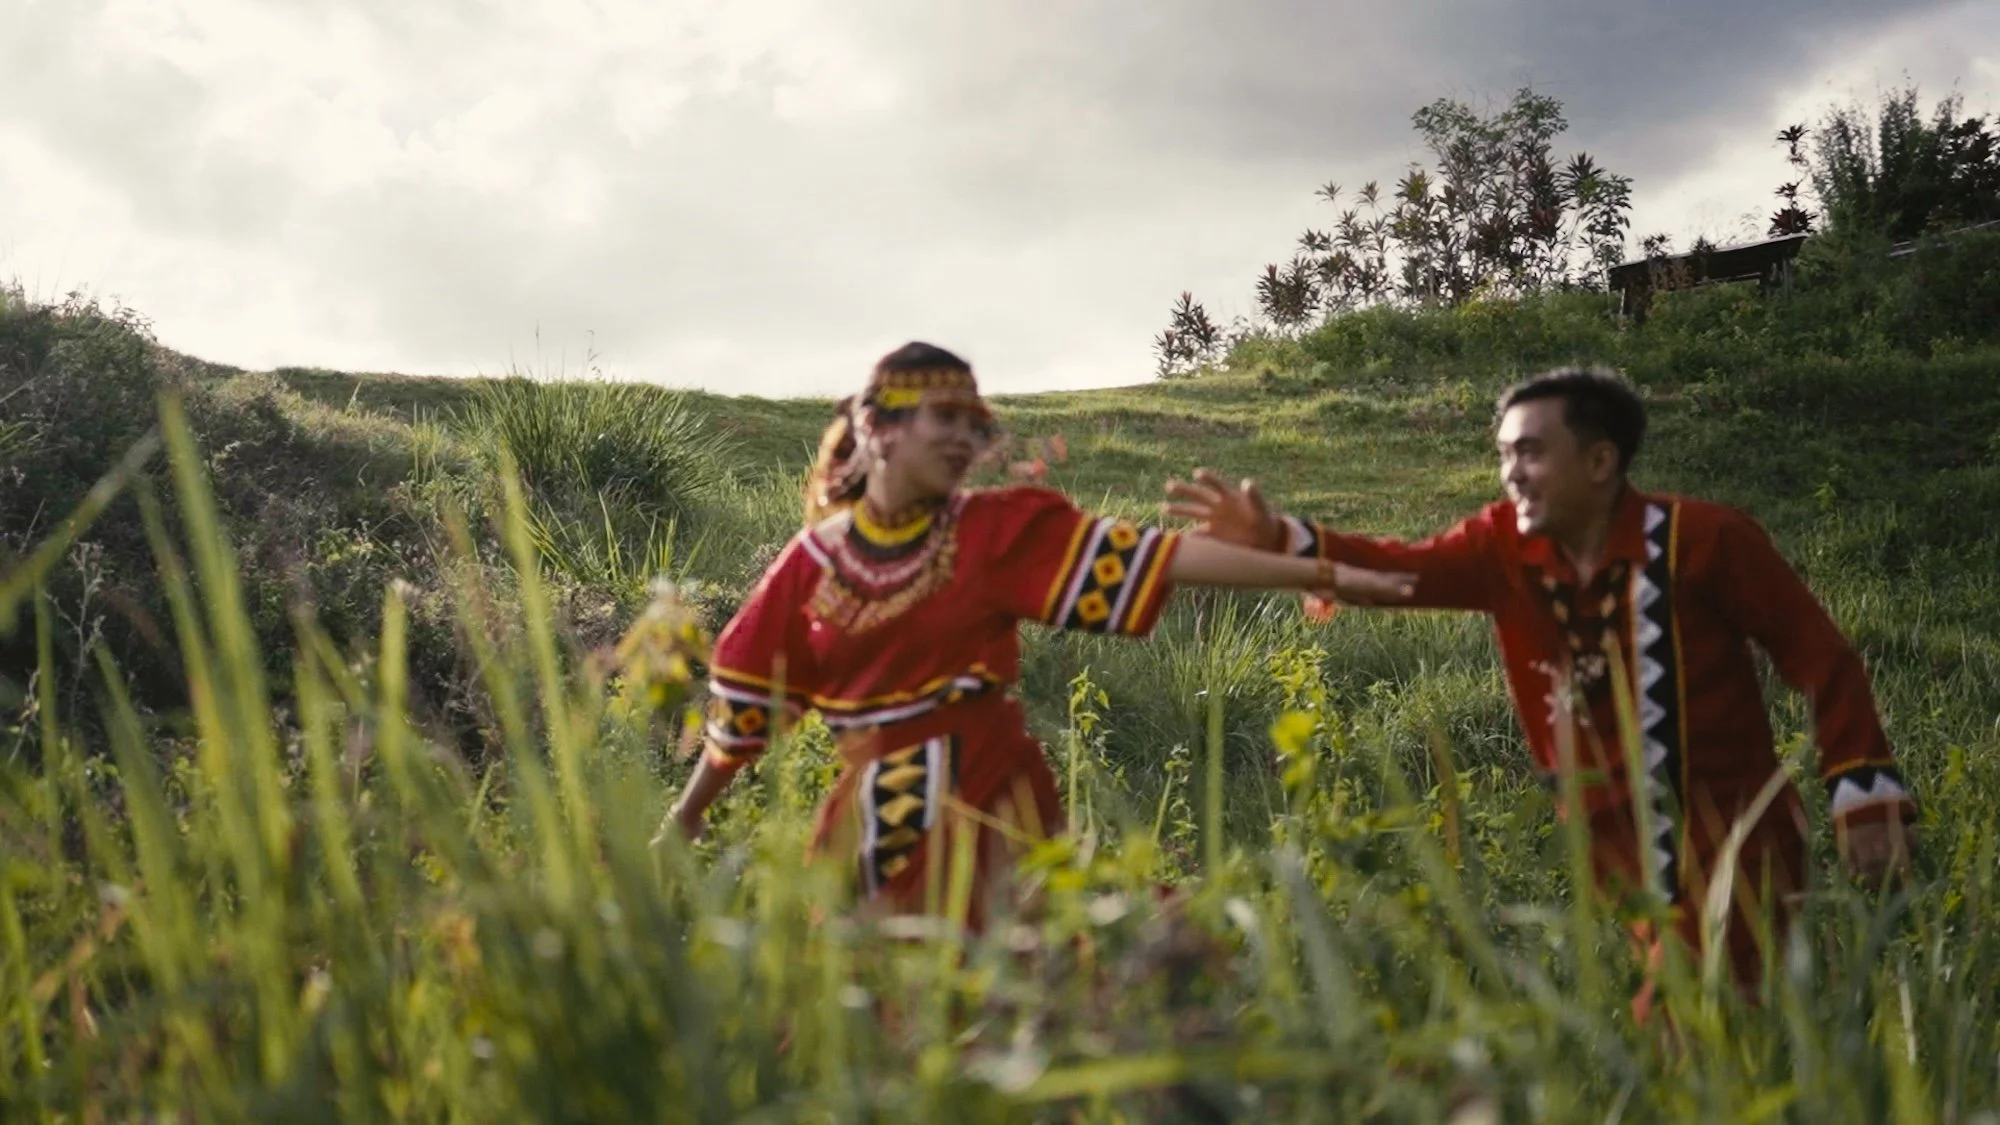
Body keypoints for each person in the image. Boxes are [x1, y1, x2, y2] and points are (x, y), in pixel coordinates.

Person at [1162, 366, 1918, 1015]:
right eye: (1504, 455)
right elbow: (1400, 570)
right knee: (1733, 1025)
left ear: (1599, 461)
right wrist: (1280, 540)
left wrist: (1862, 786)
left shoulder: (1707, 540)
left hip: (1734, 836)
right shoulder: (1501, 547)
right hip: (1613, 847)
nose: (1511, 472)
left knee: (1693, 1021)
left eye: (1530, 451)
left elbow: (1821, 656)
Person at [665, 341, 1416, 932]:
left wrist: (1315, 570)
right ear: (880, 427)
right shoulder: (813, 561)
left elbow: (1157, 556)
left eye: (973, 425)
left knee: (1069, 968)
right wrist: (686, 814)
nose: (964, 439)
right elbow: (748, 706)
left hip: (989, 782)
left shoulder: (991, 530)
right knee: (892, 1012)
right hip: (882, 815)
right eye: (944, 420)